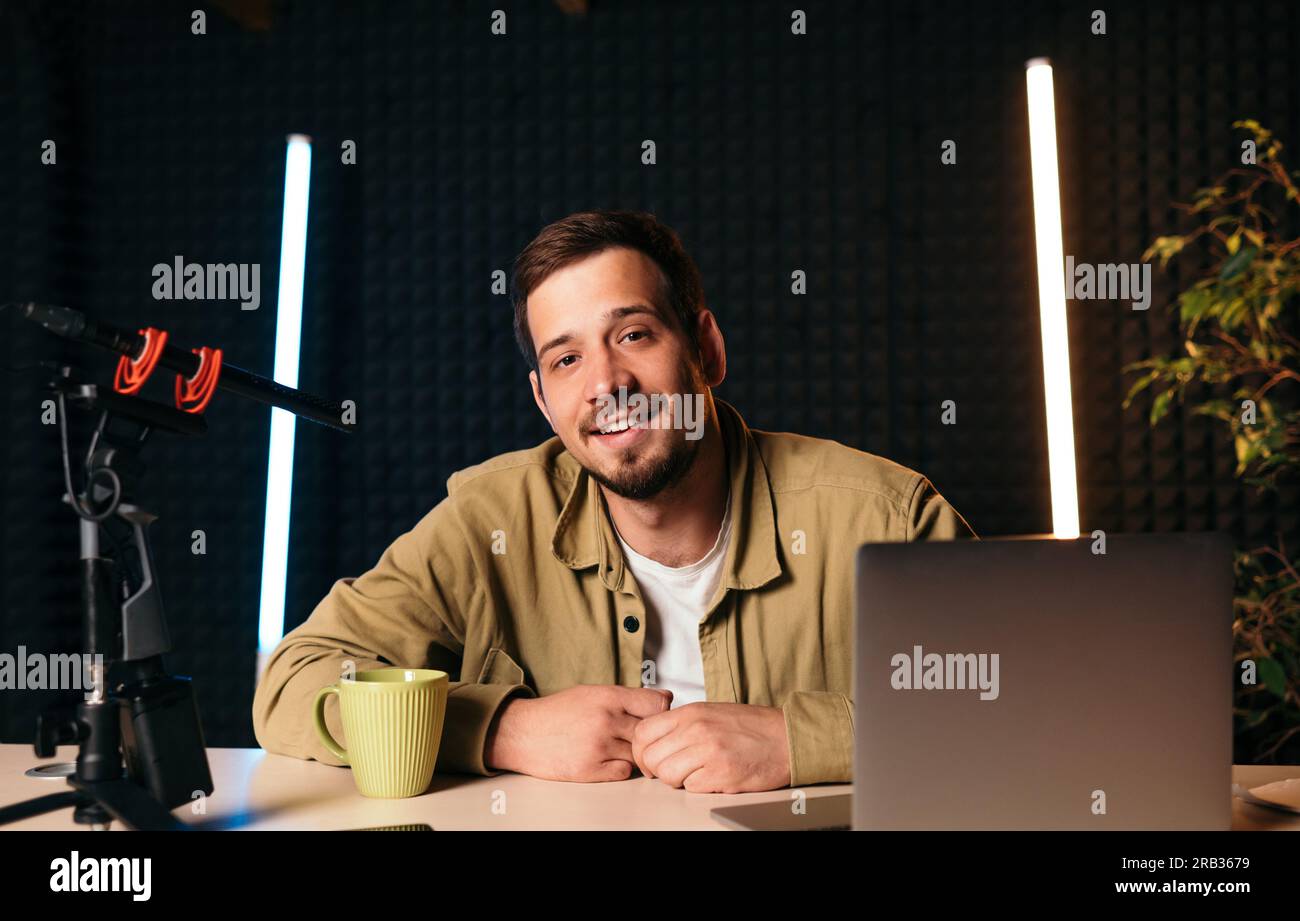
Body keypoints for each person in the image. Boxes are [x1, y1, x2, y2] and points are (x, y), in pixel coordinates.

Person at [253, 210, 976, 793]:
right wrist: (503, 728)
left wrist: (799, 739)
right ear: (544, 400)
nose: (606, 383)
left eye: (633, 334)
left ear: (707, 349)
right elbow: (291, 684)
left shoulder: (885, 518)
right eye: (566, 359)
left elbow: (1016, 699)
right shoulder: (488, 521)